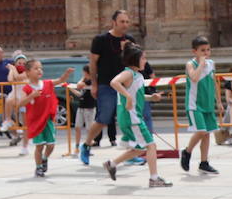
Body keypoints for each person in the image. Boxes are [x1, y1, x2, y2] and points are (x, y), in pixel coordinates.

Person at [102, 43, 171, 187]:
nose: (145, 61)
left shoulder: (138, 75)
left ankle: (112, 164)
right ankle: (154, 179)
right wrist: (127, 97)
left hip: (131, 117)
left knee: (139, 148)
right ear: (135, 59)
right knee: (151, 146)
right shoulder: (128, 73)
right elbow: (114, 82)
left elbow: (135, 95)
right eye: (143, 58)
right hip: (132, 117)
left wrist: (151, 97)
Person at [81, 11, 136, 166]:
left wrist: (127, 50)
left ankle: (131, 152)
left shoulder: (130, 40)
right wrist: (94, 84)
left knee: (129, 118)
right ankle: (86, 145)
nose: (125, 24)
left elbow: (133, 63)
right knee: (103, 118)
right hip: (106, 84)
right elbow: (92, 63)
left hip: (125, 86)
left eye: (127, 21)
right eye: (122, 21)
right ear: (114, 22)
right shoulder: (100, 40)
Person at [16, 60, 73, 177]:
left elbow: (60, 80)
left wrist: (65, 75)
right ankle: (38, 168)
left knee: (51, 145)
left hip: (48, 120)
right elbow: (20, 103)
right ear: (27, 72)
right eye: (36, 68)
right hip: (36, 121)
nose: (39, 70)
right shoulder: (26, 88)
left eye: (40, 68)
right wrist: (31, 96)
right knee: (39, 146)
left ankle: (44, 158)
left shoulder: (47, 83)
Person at [179, 36, 221, 175]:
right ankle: (187, 151)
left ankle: (204, 162)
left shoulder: (211, 64)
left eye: (208, 50)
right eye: (202, 50)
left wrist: (219, 101)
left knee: (207, 134)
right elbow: (195, 78)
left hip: (208, 103)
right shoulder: (190, 64)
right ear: (194, 51)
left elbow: (215, 83)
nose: (206, 53)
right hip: (195, 104)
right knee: (201, 130)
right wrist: (201, 65)